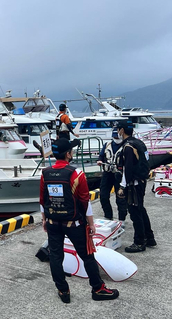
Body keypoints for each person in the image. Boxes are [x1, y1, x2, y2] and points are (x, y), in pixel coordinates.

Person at [40, 138, 119, 303]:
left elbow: (42, 200)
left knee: (55, 256)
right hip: (74, 223)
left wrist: (44, 220)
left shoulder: (45, 173)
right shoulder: (77, 174)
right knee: (87, 256)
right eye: (72, 151)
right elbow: (85, 202)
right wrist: (91, 224)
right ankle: (98, 289)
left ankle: (63, 291)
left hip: (53, 221)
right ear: (68, 154)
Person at [115, 119, 156, 253]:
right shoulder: (139, 143)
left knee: (134, 212)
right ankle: (149, 237)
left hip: (133, 184)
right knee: (140, 209)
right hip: (142, 181)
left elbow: (128, 169)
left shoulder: (128, 147)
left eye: (118, 129)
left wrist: (122, 187)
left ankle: (139, 242)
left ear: (121, 130)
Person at [96, 127, 127, 223]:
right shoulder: (107, 145)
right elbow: (101, 156)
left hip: (119, 175)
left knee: (120, 198)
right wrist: (100, 161)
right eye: (114, 137)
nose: (116, 139)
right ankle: (108, 216)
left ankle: (122, 219)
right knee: (103, 195)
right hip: (107, 173)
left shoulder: (126, 146)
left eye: (117, 137)